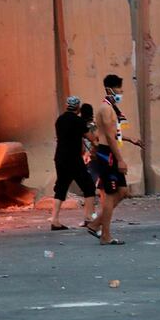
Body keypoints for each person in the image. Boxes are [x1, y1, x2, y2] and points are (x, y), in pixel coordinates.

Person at [85, 74, 142, 245]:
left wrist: (130, 139)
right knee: (110, 196)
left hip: (108, 152)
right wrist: (120, 160)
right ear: (110, 89)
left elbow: (111, 134)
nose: (121, 91)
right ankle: (105, 235)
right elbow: (109, 138)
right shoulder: (107, 109)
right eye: (119, 88)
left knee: (123, 191)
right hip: (107, 154)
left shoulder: (109, 108)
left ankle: (95, 224)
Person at [51, 96, 96, 230]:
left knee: (61, 187)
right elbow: (92, 138)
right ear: (78, 107)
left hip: (60, 157)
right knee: (88, 186)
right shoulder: (79, 121)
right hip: (73, 158)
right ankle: (88, 218)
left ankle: (54, 220)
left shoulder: (59, 120)